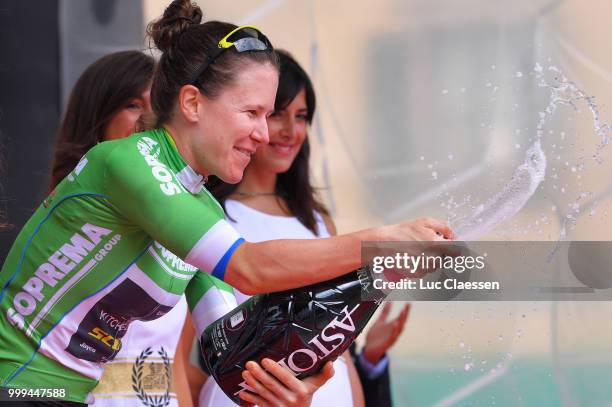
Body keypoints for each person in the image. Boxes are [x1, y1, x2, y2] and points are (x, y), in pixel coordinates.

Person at [0, 0, 453, 405]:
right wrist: (380, 241)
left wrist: (289, 387)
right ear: (193, 103)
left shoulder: (200, 207)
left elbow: (233, 348)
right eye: (252, 112)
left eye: (268, 114)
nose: (263, 132)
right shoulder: (132, 161)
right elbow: (249, 269)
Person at [203, 49, 410, 407]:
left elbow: (340, 350)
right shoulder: (213, 216)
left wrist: (369, 356)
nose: (290, 130)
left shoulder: (316, 219)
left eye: (302, 116)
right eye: (277, 114)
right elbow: (192, 353)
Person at [49, 50, 200, 407]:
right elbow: (250, 266)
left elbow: (174, 358)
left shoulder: (187, 217)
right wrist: (360, 247)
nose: (147, 118)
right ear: (98, 116)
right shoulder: (71, 210)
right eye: (133, 104)